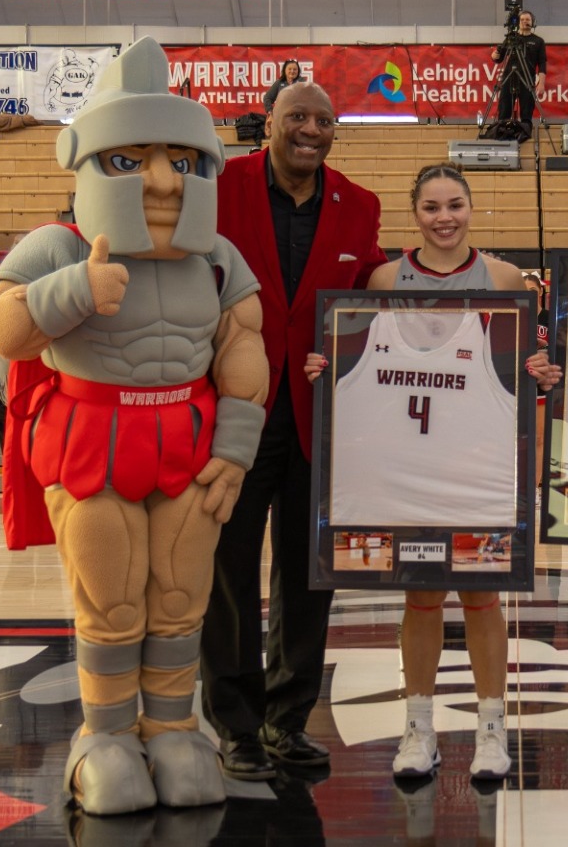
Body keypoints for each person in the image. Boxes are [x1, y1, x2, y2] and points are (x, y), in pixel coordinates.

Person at [0, 37, 269, 815]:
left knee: (180, 599)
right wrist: (72, 291)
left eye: (180, 159)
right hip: (90, 446)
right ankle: (106, 737)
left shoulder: (218, 259)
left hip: (189, 446)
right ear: (87, 163)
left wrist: (235, 450)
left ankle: (174, 728)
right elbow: (5, 329)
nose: (162, 180)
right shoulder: (57, 245)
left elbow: (244, 350)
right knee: (110, 602)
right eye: (131, 159)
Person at [301, 163, 544, 781]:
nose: (444, 218)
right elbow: (354, 359)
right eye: (432, 207)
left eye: (455, 205)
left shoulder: (503, 278)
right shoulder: (384, 278)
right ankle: (419, 727)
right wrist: (324, 367)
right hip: (408, 464)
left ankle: (492, 727)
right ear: (415, 213)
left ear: (471, 208)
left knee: (483, 596)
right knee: (421, 594)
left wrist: (540, 371)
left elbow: (520, 367)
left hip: (475, 465)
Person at [204, 75, 387, 780]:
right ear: (271, 120)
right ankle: (236, 724)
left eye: (324, 121)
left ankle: (286, 720)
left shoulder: (359, 206)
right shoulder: (219, 187)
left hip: (320, 417)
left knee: (310, 578)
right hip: (235, 412)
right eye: (298, 117)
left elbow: (374, 293)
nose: (311, 130)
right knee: (228, 572)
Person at [491, 9, 547, 131]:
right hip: (509, 77)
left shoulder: (538, 41)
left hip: (527, 79)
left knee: (527, 112)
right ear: (517, 22)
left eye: (527, 19)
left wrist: (541, 83)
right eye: (522, 19)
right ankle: (502, 133)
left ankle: (525, 134)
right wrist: (494, 55)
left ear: (533, 22)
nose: (525, 22)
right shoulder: (510, 39)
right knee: (504, 110)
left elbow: (542, 63)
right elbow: (499, 58)